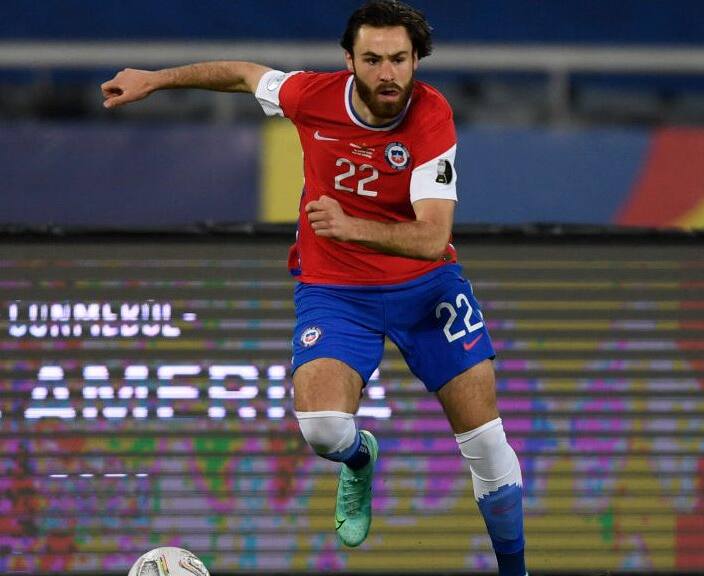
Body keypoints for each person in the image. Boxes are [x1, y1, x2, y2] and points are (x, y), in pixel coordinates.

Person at [101, 1, 527, 574]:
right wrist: (156, 79)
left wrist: (350, 227)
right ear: (349, 59)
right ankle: (359, 459)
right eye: (372, 59)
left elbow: (432, 239)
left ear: (416, 60)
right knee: (324, 429)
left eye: (399, 59)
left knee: (487, 445)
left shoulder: (431, 116)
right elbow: (244, 74)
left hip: (426, 287)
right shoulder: (310, 96)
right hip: (335, 290)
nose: (387, 74)